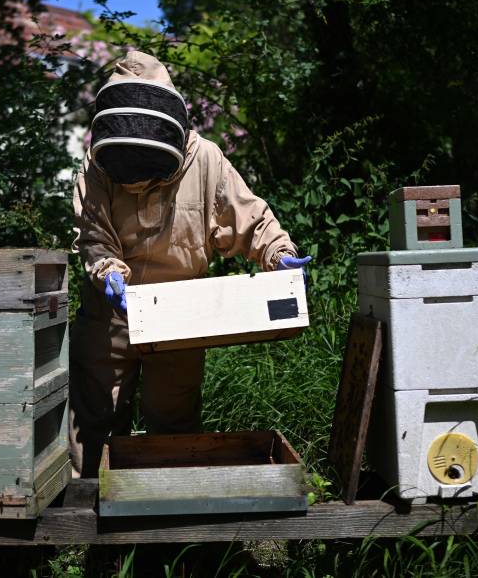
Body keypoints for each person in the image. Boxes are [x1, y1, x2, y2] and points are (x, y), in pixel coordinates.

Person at [69, 50, 310, 476]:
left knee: (173, 420)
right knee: (97, 418)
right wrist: (107, 270)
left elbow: (248, 216)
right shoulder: (96, 166)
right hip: (111, 311)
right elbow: (94, 233)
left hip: (180, 313)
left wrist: (280, 254)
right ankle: (87, 518)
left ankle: (168, 519)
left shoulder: (207, 160)